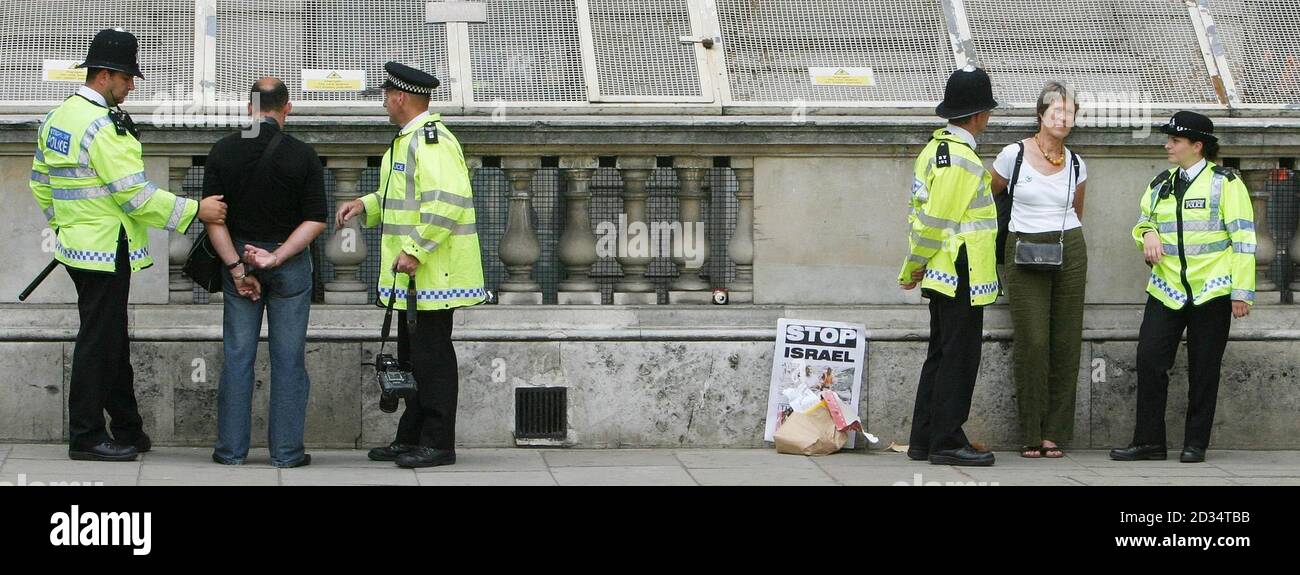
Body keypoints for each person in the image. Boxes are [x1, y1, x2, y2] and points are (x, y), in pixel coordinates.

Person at [30, 28, 226, 461]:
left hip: (77, 248)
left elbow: (41, 184)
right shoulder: (102, 126)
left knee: (110, 337)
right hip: (105, 250)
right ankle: (85, 437)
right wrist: (196, 211)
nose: (133, 86)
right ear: (105, 76)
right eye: (128, 77)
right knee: (99, 343)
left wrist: (66, 227)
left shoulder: (58, 116)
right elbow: (136, 197)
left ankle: (127, 428)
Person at [335, 62, 486, 468]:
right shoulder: (407, 140)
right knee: (413, 358)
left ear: (400, 97)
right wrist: (364, 205)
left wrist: (416, 249)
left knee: (432, 359)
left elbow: (447, 201)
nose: (384, 102)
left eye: (386, 95)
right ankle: (412, 436)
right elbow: (405, 197)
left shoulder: (430, 141)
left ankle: (438, 443)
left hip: (434, 274)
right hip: (418, 279)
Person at [1110, 111, 1255, 464]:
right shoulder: (1161, 183)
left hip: (1212, 289)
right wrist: (1146, 233)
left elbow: (1244, 239)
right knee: (1149, 361)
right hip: (1166, 288)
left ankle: (1195, 444)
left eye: (1175, 141)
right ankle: (1148, 442)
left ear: (1197, 145)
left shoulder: (1226, 182)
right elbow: (1143, 220)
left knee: (1204, 368)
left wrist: (1242, 291)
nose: (1167, 146)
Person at [203, 78, 327, 467]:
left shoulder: (222, 151)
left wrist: (239, 268)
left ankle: (230, 451)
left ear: (248, 108)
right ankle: (287, 453)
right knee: (289, 359)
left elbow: (213, 219)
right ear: (286, 107)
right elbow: (316, 220)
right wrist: (276, 257)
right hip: (287, 263)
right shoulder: (303, 155)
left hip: (237, 255)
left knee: (238, 355)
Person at [897, 66, 1000, 467]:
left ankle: (924, 438)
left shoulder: (934, 150)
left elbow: (922, 218)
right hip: (963, 270)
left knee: (940, 354)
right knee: (959, 356)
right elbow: (939, 220)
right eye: (988, 112)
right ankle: (946, 440)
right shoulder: (963, 160)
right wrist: (911, 267)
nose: (989, 119)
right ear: (977, 116)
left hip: (942, 269)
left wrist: (916, 263)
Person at [990, 82, 1088, 459]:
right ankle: (1031, 430)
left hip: (1069, 247)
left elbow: (1078, 211)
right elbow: (993, 195)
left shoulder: (1077, 163)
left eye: (1069, 113)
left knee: (1066, 341)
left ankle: (1055, 433)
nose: (1063, 119)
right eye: (1056, 112)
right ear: (1040, 115)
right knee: (1033, 341)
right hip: (1024, 247)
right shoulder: (1012, 155)